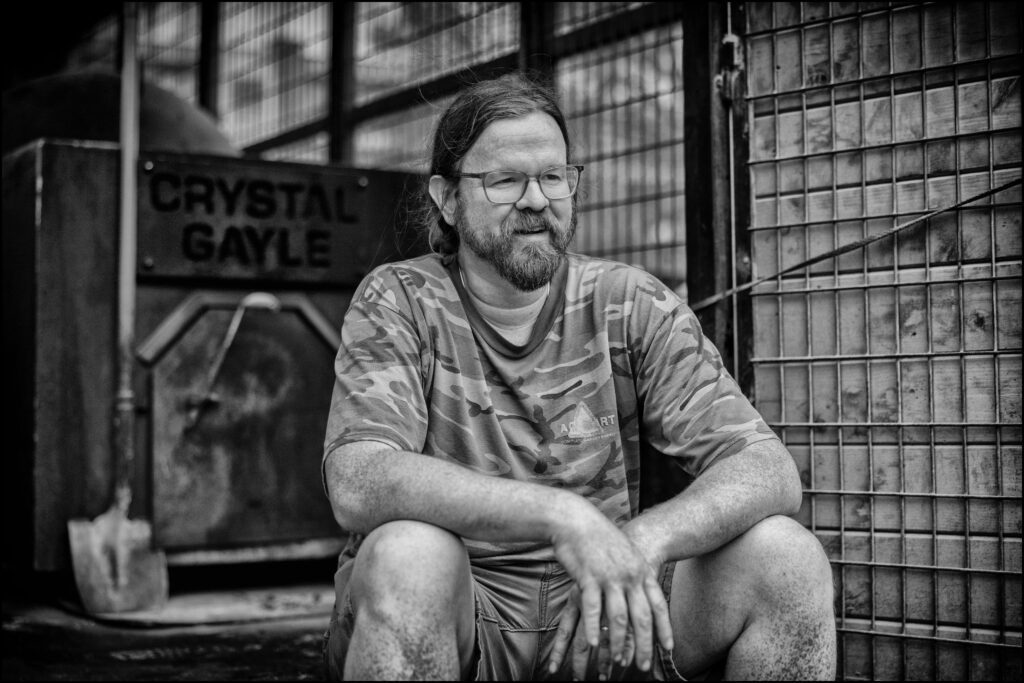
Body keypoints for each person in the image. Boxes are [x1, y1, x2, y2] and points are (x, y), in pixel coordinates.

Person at [321, 72, 836, 681]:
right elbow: (358, 477)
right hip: (461, 613)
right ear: (447, 198)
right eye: (505, 180)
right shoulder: (401, 298)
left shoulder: (629, 301)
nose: (537, 199)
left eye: (554, 176)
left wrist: (644, 540)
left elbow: (767, 470)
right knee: (408, 554)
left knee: (787, 557)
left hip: (604, 611)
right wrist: (560, 515)